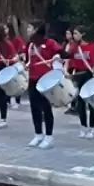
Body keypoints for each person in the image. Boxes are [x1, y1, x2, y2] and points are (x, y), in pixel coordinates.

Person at [25, 21, 63, 149]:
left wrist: (57, 56)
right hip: (32, 78)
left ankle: (49, 136)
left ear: (36, 29)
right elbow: (26, 59)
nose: (27, 30)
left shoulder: (49, 43)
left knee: (46, 108)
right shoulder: (30, 45)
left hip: (46, 80)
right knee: (34, 107)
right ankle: (38, 134)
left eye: (30, 27)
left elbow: (60, 53)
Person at [64, 26, 94, 138]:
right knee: (80, 103)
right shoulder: (74, 47)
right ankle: (83, 127)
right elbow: (67, 58)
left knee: (92, 103)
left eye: (76, 33)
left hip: (90, 75)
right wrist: (65, 70)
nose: (74, 36)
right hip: (79, 75)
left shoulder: (93, 47)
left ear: (83, 34)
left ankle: (91, 129)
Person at [4, 23, 26, 110]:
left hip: (15, 63)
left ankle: (17, 101)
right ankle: (8, 100)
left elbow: (22, 51)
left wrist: (18, 58)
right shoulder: (3, 40)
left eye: (6, 28)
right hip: (6, 63)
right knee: (7, 83)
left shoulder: (17, 39)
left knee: (17, 82)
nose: (5, 30)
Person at [62, 27, 79, 115]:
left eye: (69, 33)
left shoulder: (74, 44)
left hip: (73, 66)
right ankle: (73, 105)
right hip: (67, 65)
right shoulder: (66, 44)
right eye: (66, 33)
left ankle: (76, 106)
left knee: (74, 87)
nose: (67, 35)